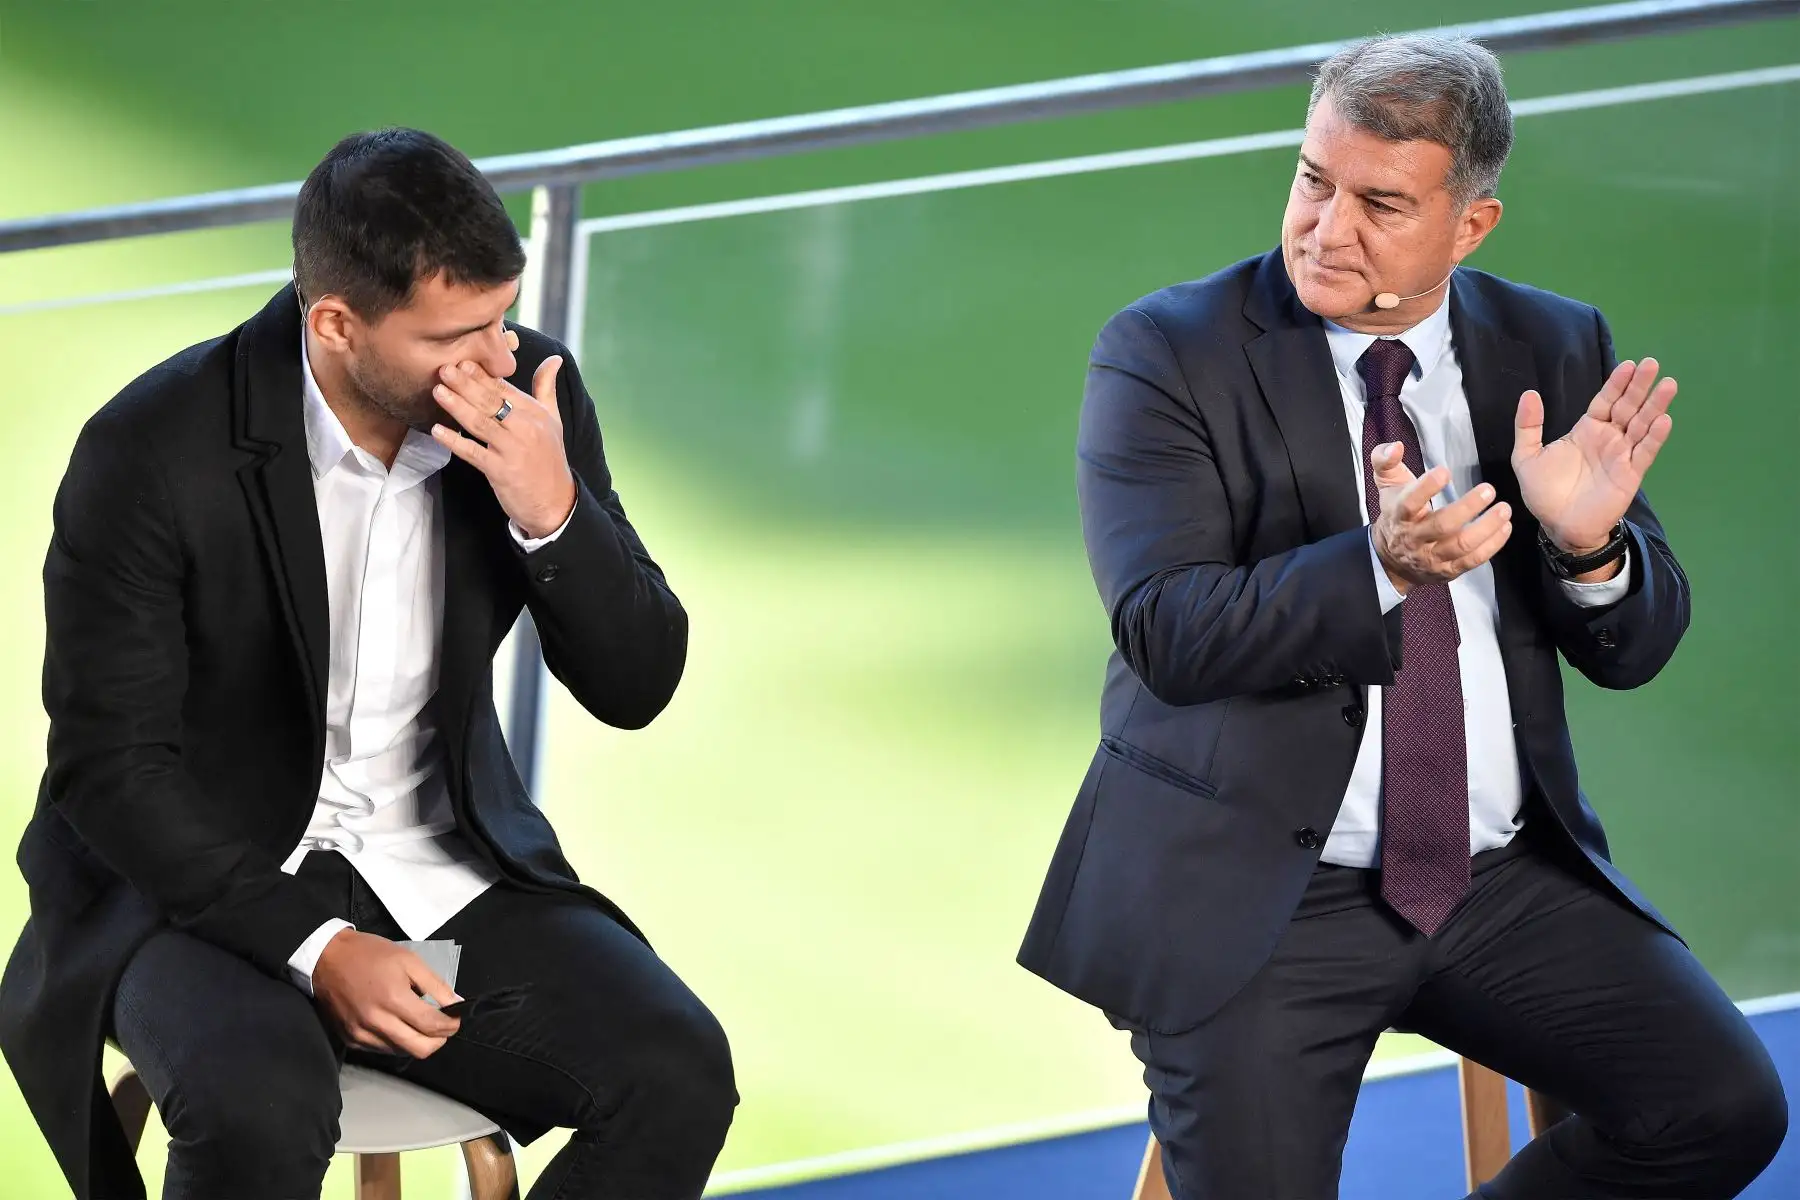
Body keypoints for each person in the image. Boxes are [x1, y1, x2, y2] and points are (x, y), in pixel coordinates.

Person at [1018, 35, 1786, 1200]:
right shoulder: (1166, 352)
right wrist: (1380, 566)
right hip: (1258, 899)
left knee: (1722, 1109)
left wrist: (1587, 545)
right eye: (1313, 181)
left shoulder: (1550, 343)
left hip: (1500, 882)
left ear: (1469, 226)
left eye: (1380, 203)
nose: (1327, 229)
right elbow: (1168, 632)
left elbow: (1637, 648)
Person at [0, 128, 735, 1200]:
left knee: (677, 1071)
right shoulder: (151, 449)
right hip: (191, 884)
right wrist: (317, 945)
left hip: (437, 863)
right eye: (456, 335)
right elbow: (113, 771)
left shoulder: (530, 401)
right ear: (337, 323)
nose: (498, 359)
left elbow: (637, 687)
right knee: (259, 1103)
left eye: (501, 316)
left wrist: (554, 510)